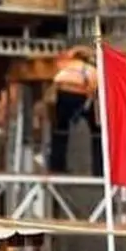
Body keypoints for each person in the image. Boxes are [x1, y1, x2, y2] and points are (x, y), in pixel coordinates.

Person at [49, 46, 101, 176]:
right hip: (81, 97)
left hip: (62, 96)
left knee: (61, 132)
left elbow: (56, 77)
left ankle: (57, 167)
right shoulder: (90, 69)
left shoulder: (64, 66)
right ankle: (99, 169)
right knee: (96, 133)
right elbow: (95, 87)